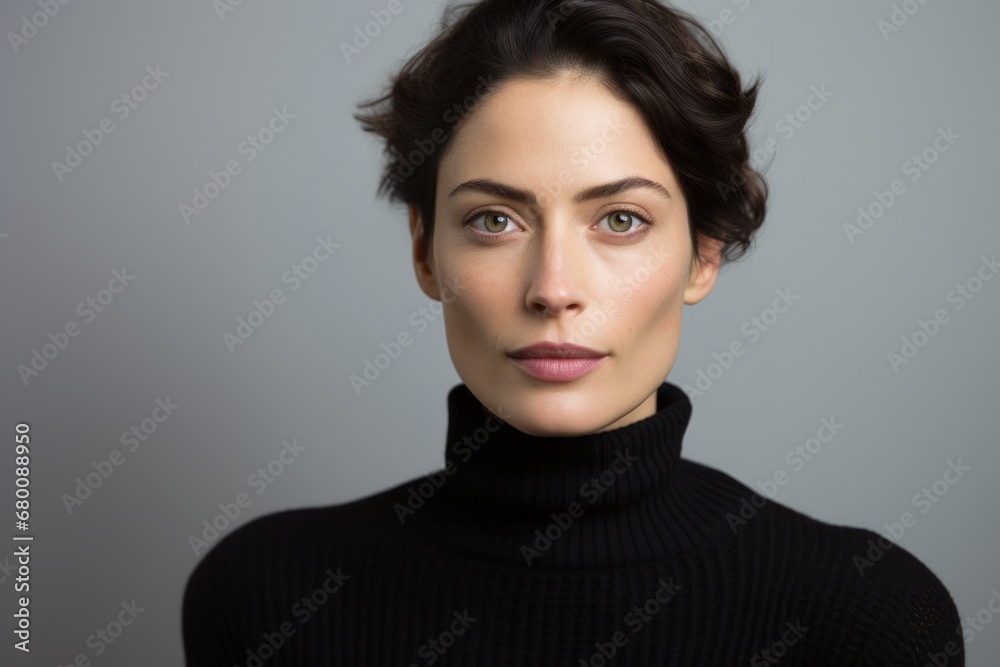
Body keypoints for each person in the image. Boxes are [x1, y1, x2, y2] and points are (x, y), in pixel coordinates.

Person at [182, 0, 963, 664]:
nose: (553, 288)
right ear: (424, 250)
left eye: (620, 220)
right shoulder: (267, 594)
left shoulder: (867, 617)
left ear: (704, 254)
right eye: (495, 220)